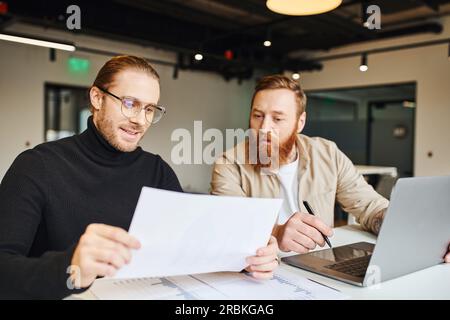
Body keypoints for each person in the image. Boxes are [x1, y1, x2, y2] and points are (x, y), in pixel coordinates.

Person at [0, 56, 277, 299]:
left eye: (149, 109)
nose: (140, 121)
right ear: (97, 98)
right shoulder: (36, 166)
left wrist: (246, 258)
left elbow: (191, 249)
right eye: (130, 103)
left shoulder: (157, 171)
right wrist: (70, 267)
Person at [211, 74, 450, 263]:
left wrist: (424, 235)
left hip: (319, 265)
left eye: (278, 118)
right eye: (258, 116)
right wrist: (277, 231)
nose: (264, 128)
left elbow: (370, 207)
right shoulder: (229, 164)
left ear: (300, 122)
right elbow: (229, 226)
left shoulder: (327, 153)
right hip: (260, 271)